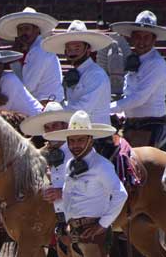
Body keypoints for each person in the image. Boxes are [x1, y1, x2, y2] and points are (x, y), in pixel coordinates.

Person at [44, 111, 127, 257]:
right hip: (76, 230)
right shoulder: (71, 164)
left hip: (93, 228)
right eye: (72, 140)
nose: (76, 144)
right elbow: (69, 196)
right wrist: (68, 223)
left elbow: (120, 194)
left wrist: (102, 225)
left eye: (80, 140)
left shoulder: (101, 166)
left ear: (90, 140)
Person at [21, 103, 82, 257]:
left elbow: (86, 185)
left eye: (57, 125)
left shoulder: (76, 153)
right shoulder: (41, 156)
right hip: (57, 223)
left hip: (77, 219)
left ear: (66, 127)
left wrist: (61, 192)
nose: (53, 130)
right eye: (48, 126)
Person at [42, 20, 115, 158]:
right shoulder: (76, 74)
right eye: (69, 48)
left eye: (77, 47)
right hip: (78, 136)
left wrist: (54, 113)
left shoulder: (96, 75)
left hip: (97, 137)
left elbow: (83, 109)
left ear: (88, 49)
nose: (72, 52)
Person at [109, 11, 166, 149]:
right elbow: (129, 94)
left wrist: (109, 108)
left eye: (146, 37)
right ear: (132, 38)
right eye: (138, 37)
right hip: (130, 125)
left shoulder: (156, 63)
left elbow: (140, 98)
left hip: (151, 126)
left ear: (154, 40)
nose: (141, 42)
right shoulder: (135, 60)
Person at [0, 7, 63, 104]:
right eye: (20, 29)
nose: (23, 33)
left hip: (46, 104)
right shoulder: (34, 49)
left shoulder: (40, 50)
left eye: (27, 29)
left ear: (36, 30)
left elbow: (28, 86)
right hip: (41, 101)